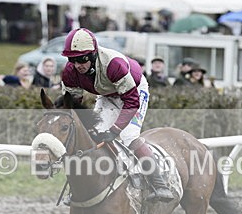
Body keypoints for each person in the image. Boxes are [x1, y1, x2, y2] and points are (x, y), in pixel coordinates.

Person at [60, 27, 174, 202]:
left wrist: (114, 129)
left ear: (92, 55)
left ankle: (159, 184)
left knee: (128, 135)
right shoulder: (70, 72)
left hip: (134, 92)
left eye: (82, 59)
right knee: (93, 134)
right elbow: (72, 105)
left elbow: (131, 102)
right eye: (72, 60)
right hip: (108, 95)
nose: (77, 65)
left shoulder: (113, 64)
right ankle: (82, 186)